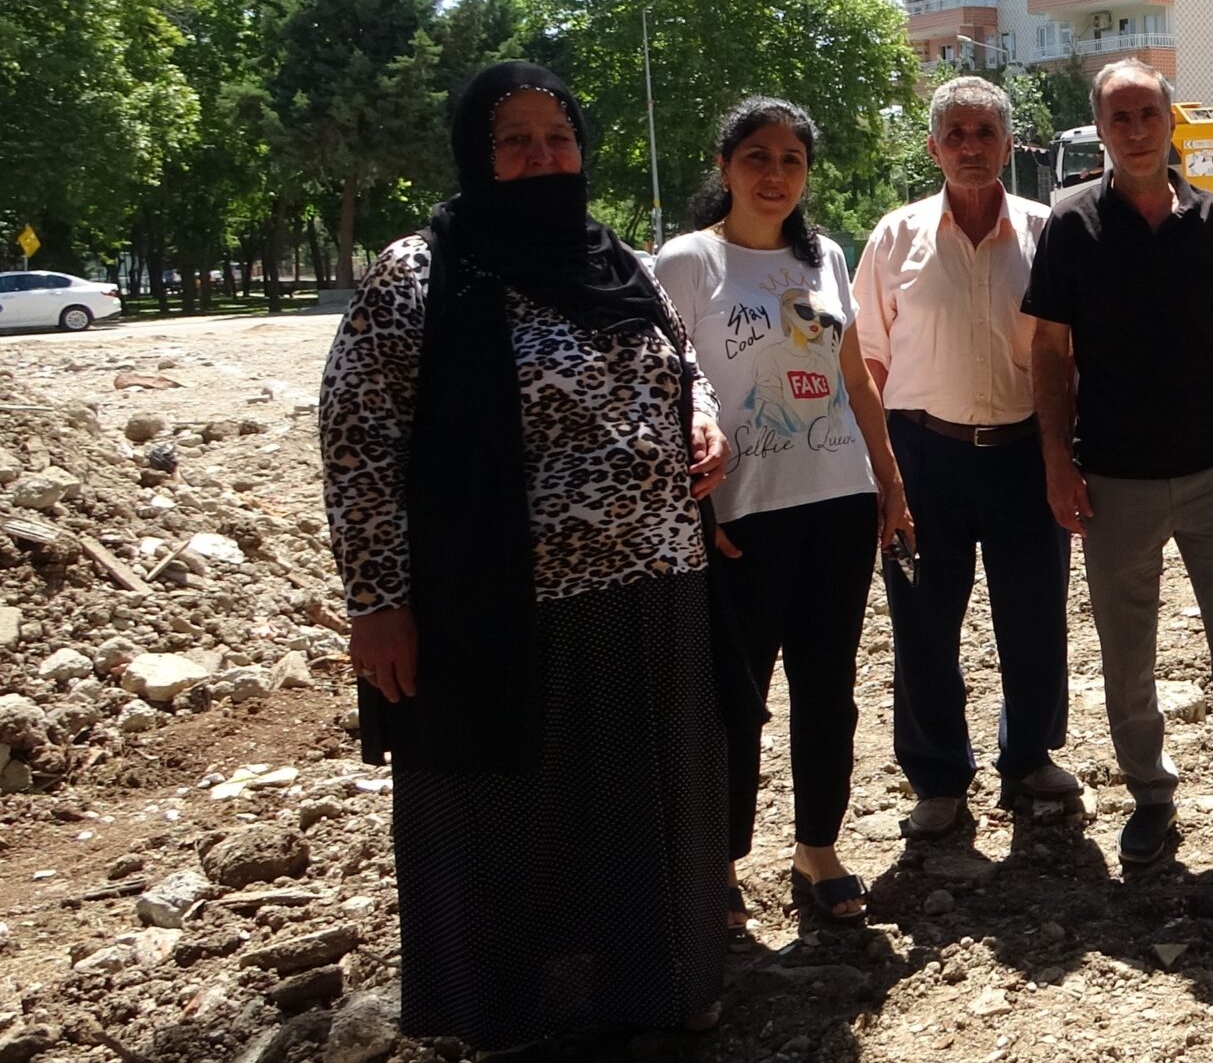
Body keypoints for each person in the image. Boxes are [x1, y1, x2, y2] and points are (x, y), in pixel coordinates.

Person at [322, 62, 731, 1047]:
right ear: (476, 154)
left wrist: (704, 421)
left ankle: (651, 994)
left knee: (642, 811)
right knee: (509, 815)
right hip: (499, 608)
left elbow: (680, 365)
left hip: (653, 589)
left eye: (559, 137)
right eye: (516, 140)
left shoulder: (616, 261)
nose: (543, 156)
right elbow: (358, 438)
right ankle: (513, 1016)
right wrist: (377, 600)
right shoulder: (419, 274)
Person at [1023, 59, 1213, 874]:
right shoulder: (1070, 224)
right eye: (1118, 117)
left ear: (1169, 123)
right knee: (1128, 658)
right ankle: (1151, 799)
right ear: (1101, 128)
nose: (1134, 130)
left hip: (1210, 473)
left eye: (1146, 115)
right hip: (1112, 480)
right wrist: (1057, 458)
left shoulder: (1211, 223)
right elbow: (1049, 351)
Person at [654, 97, 909, 929]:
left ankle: (817, 849)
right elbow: (665, 390)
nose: (775, 175)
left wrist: (889, 479)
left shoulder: (824, 256)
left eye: (792, 160)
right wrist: (693, 510)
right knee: (738, 696)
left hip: (837, 503)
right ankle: (721, 864)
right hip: (741, 513)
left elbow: (854, 376)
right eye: (757, 157)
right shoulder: (687, 264)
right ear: (725, 166)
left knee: (828, 688)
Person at [852, 76, 1082, 839]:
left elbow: (1071, 353)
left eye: (985, 132)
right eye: (955, 134)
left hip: (1026, 451)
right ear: (933, 149)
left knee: (1036, 613)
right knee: (922, 621)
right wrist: (884, 473)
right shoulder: (895, 238)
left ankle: (1028, 760)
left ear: (1009, 145)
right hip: (925, 455)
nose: (972, 147)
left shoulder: (1051, 232)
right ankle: (939, 777)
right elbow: (869, 362)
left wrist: (1066, 455)